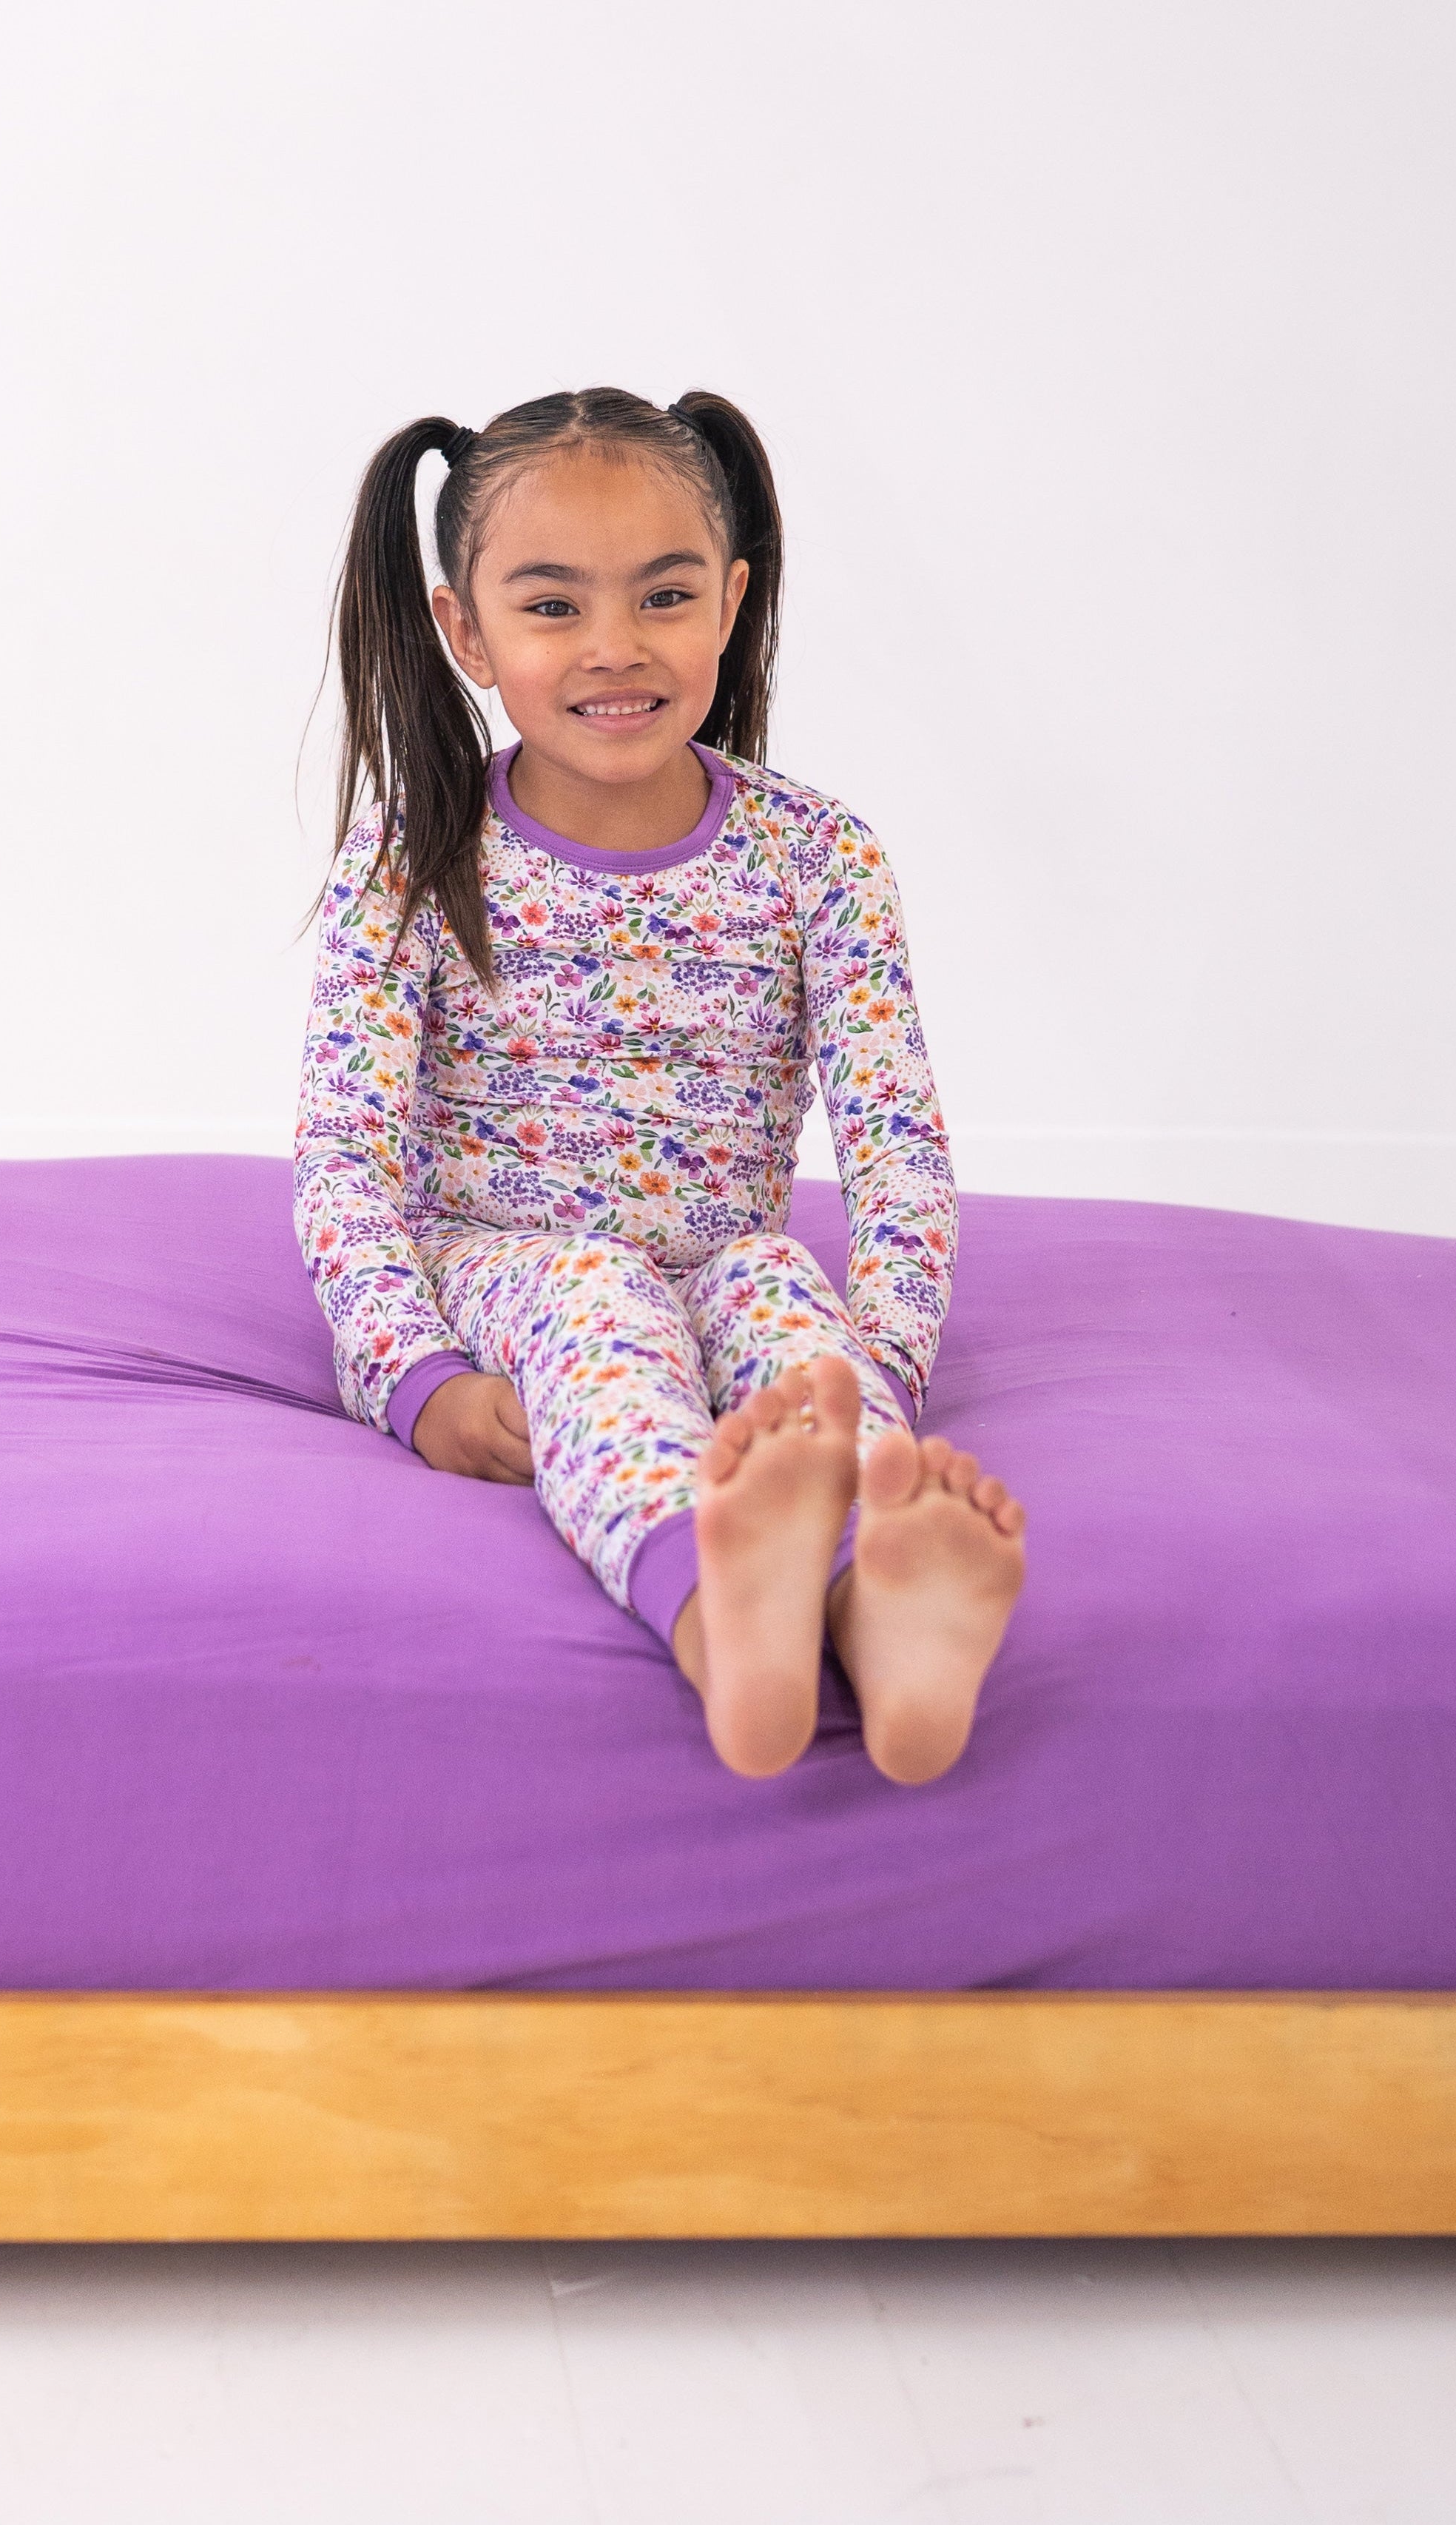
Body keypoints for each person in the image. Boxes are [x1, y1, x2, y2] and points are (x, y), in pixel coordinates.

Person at [294, 387, 1025, 1783]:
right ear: (466, 630)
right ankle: (718, 1617)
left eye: (666, 596)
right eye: (552, 607)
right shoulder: (413, 862)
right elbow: (344, 1153)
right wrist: (415, 1375)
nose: (616, 646)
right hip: (502, 1270)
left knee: (790, 1317)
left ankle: (882, 1607)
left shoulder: (818, 858)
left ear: (731, 601)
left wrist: (882, 1358)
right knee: (600, 1304)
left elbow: (896, 1146)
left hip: (723, 1257)